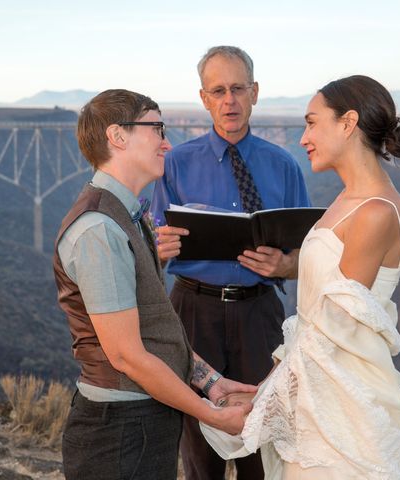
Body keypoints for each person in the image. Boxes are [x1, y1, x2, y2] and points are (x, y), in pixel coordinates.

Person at [201, 75, 400, 479]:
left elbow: (331, 334)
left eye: (311, 122)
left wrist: (261, 404)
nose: (304, 137)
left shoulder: (376, 212)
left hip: (347, 410)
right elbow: (312, 324)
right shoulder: (345, 200)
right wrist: (262, 388)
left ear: (347, 123)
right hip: (316, 394)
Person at [52, 89, 255, 480]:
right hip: (120, 433)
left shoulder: (125, 216)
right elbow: (128, 357)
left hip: (140, 422)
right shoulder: (99, 230)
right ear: (118, 136)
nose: (167, 141)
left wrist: (211, 382)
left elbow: (154, 327)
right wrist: (211, 414)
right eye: (156, 128)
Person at [150, 46, 311, 480]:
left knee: (264, 433)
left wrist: (284, 266)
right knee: (199, 442)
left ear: (255, 92)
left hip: (261, 313)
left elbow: (311, 256)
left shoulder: (284, 166)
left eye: (238, 88)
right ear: (203, 98)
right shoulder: (174, 165)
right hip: (193, 311)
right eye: (218, 90)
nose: (229, 101)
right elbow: (148, 247)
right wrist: (156, 246)